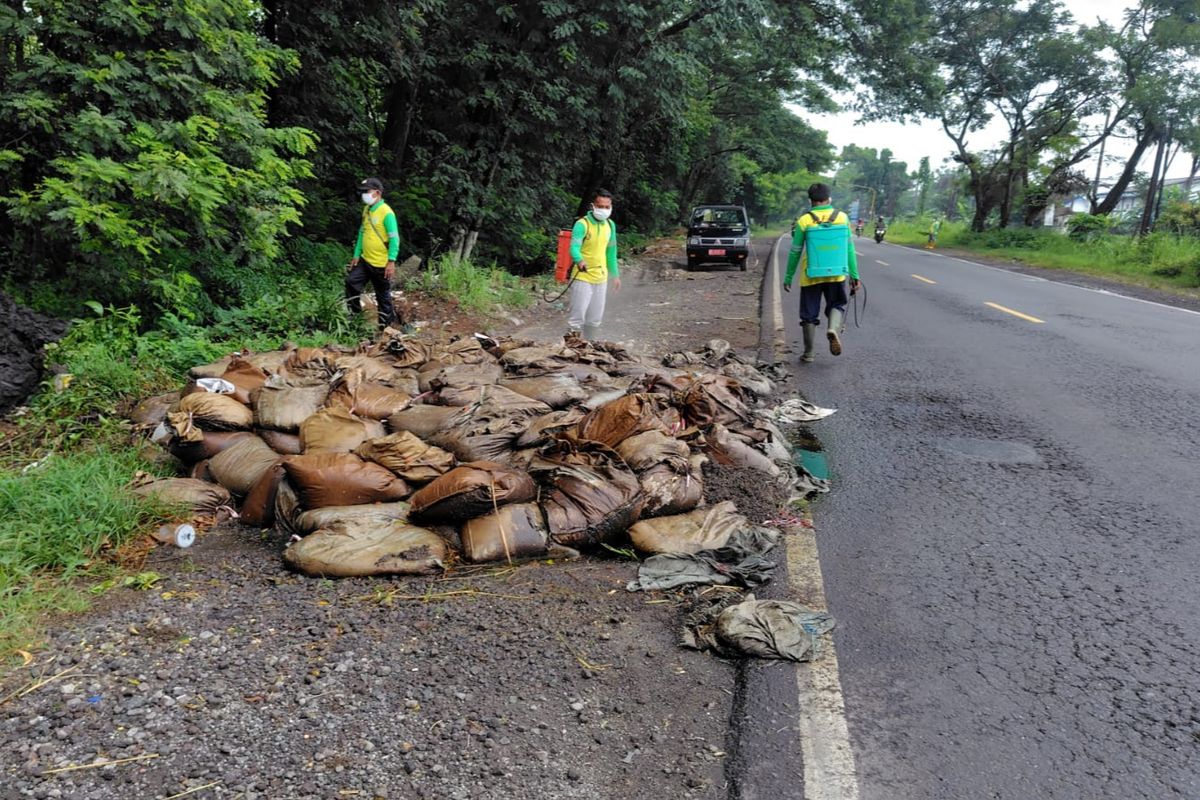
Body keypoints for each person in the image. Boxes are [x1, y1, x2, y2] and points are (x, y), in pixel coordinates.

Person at [783, 183, 860, 363]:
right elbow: (849, 249)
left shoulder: (804, 220)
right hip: (836, 274)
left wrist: (788, 276)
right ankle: (832, 328)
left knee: (809, 313)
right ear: (829, 199)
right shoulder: (842, 218)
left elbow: (795, 251)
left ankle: (809, 353)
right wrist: (854, 275)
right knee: (837, 304)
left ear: (811, 201)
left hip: (811, 274)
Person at [567, 189, 621, 340]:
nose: (603, 210)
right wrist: (579, 260)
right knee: (577, 317)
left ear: (611, 207)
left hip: (601, 277)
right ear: (593, 206)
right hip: (582, 276)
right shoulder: (582, 224)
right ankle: (571, 348)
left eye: (607, 207)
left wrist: (615, 275)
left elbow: (611, 253)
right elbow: (574, 247)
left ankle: (590, 348)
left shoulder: (610, 225)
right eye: (600, 206)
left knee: (595, 318)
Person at [346, 177, 400, 329]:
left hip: (381, 263)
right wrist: (356, 254)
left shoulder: (387, 213)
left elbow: (394, 239)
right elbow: (362, 232)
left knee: (382, 296)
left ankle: (386, 330)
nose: (363, 195)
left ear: (377, 193)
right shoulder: (367, 210)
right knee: (351, 282)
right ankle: (355, 316)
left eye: (366, 191)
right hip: (365, 260)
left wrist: (391, 261)